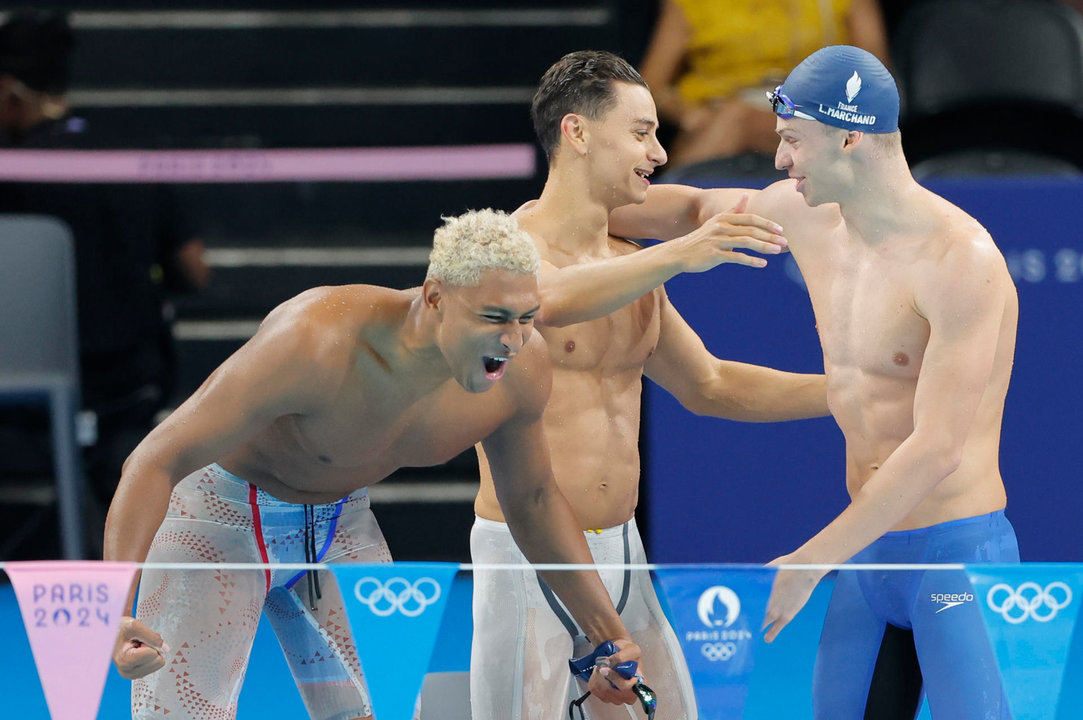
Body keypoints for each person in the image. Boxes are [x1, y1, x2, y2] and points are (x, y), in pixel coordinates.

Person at [104, 209, 646, 719]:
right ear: (435, 297)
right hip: (215, 520)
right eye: (494, 317)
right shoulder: (317, 338)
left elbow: (533, 501)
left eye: (527, 317)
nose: (513, 339)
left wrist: (605, 633)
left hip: (341, 526)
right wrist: (115, 608)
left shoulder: (522, 371)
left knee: (383, 712)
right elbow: (156, 458)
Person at [610, 45, 1019, 719]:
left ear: (850, 136)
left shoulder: (958, 261)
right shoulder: (805, 215)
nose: (780, 161)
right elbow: (687, 211)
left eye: (793, 142)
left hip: (955, 556)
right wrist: (559, 217)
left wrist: (808, 560)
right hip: (865, 554)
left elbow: (937, 446)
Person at [470, 50, 831, 720]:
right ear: (576, 133)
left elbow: (710, 384)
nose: (659, 153)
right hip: (530, 559)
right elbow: (542, 300)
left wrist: (844, 394)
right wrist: (680, 253)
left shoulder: (629, 265)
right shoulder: (500, 248)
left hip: (624, 549)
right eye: (640, 133)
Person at [0, 9, 210, 551]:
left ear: (9, 92)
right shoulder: (129, 155)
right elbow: (195, 269)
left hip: (33, 384)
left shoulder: (13, 172)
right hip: (132, 380)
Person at [639, 0, 889, 169]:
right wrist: (691, 116)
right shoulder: (690, 5)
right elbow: (650, 87)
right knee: (730, 120)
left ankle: (668, 219)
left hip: (816, 110)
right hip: (715, 116)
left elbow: (872, 76)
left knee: (739, 119)